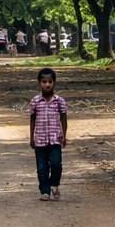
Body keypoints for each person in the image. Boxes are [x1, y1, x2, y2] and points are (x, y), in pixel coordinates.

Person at [28, 67, 68, 200]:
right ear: (39, 83)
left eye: (50, 81)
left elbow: (63, 118)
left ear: (54, 82)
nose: (47, 84)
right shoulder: (35, 101)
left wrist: (64, 135)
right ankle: (45, 191)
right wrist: (31, 137)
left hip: (55, 139)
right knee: (41, 167)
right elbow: (32, 119)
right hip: (40, 139)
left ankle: (54, 183)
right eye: (44, 82)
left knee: (56, 163)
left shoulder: (59, 101)